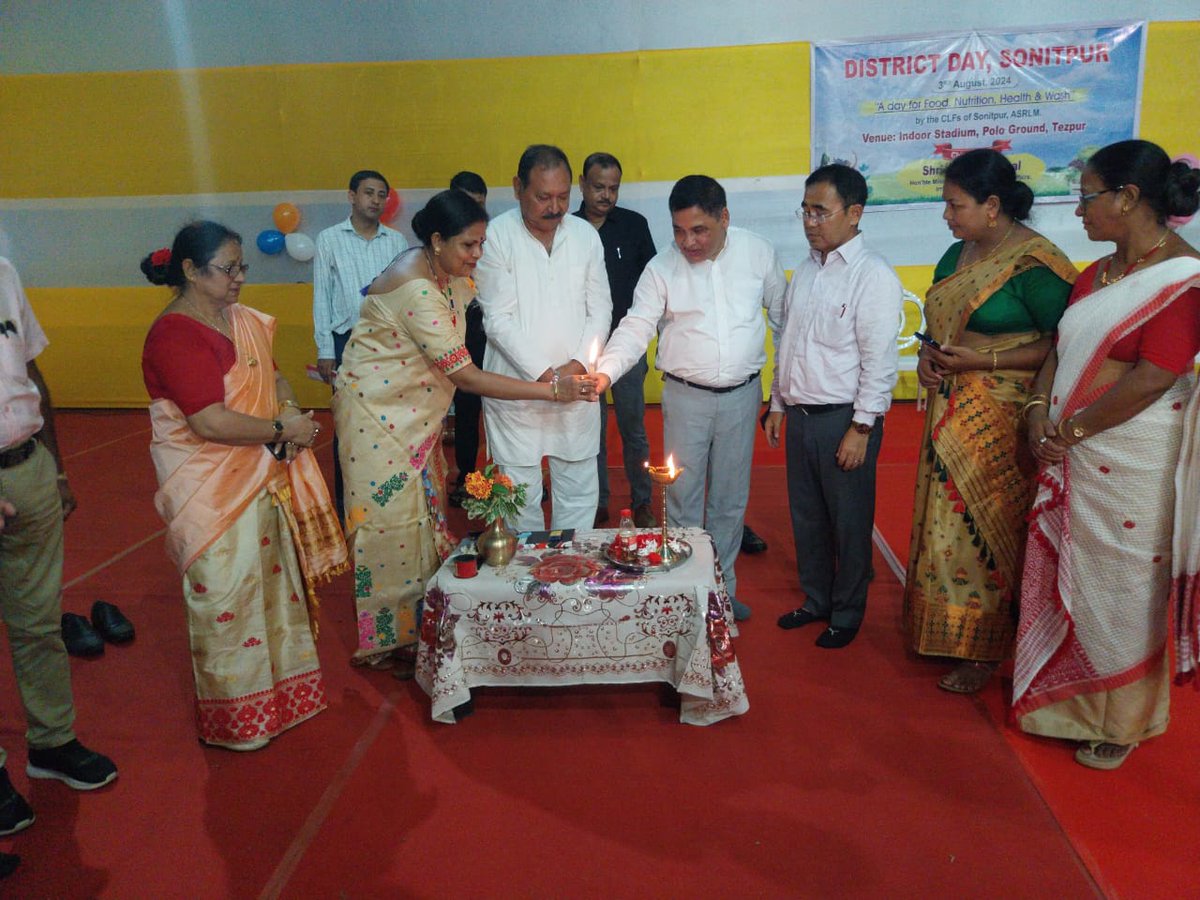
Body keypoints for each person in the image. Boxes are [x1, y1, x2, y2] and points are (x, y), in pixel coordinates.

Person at [333, 190, 597, 673]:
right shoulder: (417, 291)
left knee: (421, 515)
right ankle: (386, 641)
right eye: (469, 245)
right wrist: (551, 389)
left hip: (413, 414)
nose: (477, 255)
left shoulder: (442, 270)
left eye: (481, 244)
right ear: (437, 240)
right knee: (389, 524)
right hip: (378, 417)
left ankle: (419, 626)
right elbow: (467, 377)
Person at [1014, 140, 1200, 769]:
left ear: (1128, 197)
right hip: (1071, 450)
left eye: (1087, 196)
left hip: (1132, 463)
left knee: (1123, 589)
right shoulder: (1094, 275)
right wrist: (1036, 411)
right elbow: (1060, 351)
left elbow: (1152, 377)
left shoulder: (1182, 280)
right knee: (1069, 575)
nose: (1079, 211)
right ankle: (1063, 705)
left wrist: (1070, 432)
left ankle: (1120, 722)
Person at [141, 222, 346, 751]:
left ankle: (286, 699)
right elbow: (208, 422)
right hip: (211, 491)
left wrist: (289, 410)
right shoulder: (176, 334)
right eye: (227, 268)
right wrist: (283, 430)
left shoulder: (241, 320)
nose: (239, 278)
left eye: (241, 267)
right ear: (190, 270)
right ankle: (240, 720)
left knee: (272, 590)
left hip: (261, 475)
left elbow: (273, 377)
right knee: (227, 597)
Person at [902, 149, 1077, 690]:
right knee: (946, 524)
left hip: (1003, 417)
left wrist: (984, 361)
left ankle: (987, 648)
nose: (947, 216)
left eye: (955, 205)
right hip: (949, 409)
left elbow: (1064, 344)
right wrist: (928, 358)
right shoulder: (956, 254)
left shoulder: (1035, 265)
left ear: (993, 205)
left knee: (991, 529)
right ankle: (946, 629)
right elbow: (939, 327)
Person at [595, 175, 786, 622]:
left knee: (729, 501)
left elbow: (784, 323)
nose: (688, 242)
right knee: (680, 499)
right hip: (685, 398)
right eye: (679, 231)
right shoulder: (661, 268)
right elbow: (636, 327)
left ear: (725, 218)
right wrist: (605, 371)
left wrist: (779, 398)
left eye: (699, 230)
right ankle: (684, 598)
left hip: (742, 396)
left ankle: (721, 593)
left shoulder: (758, 253)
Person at [0, 258, 118, 851]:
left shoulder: (3, 272)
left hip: (28, 468)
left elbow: (30, 368)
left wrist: (58, 468)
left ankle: (51, 741)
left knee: (39, 622)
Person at [768, 164, 902, 648]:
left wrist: (861, 428)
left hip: (844, 419)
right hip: (801, 416)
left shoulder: (873, 276)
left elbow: (879, 361)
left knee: (848, 523)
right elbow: (788, 343)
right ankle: (817, 599)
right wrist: (778, 402)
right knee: (807, 518)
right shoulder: (806, 270)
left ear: (854, 213)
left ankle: (847, 612)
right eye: (805, 211)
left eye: (820, 212)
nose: (810, 222)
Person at [474, 145, 612, 532]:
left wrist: (577, 365)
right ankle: (528, 571)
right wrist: (548, 379)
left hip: (576, 385)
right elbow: (497, 319)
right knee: (519, 497)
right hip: (517, 391)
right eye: (543, 197)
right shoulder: (495, 237)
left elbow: (601, 309)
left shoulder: (584, 235)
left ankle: (571, 564)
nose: (555, 207)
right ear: (517, 188)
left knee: (579, 491)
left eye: (563, 197)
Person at [312, 169, 408, 518]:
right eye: (369, 193)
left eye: (382, 195)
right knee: (350, 427)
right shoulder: (329, 239)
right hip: (346, 342)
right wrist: (325, 349)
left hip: (389, 345)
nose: (376, 200)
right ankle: (348, 511)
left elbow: (404, 295)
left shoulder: (396, 242)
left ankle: (388, 505)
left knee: (390, 424)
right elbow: (322, 296)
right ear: (352, 196)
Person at [573, 152, 657, 528]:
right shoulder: (568, 229)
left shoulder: (635, 226)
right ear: (581, 184)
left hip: (627, 347)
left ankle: (643, 500)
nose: (606, 195)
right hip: (582, 349)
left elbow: (653, 284)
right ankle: (597, 500)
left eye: (613, 188)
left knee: (633, 427)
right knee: (590, 429)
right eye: (598, 187)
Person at [447, 171, 489, 508]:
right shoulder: (440, 255)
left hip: (495, 332)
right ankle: (466, 478)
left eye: (479, 205)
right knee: (466, 406)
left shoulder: (493, 240)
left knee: (504, 407)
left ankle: (508, 480)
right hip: (459, 334)